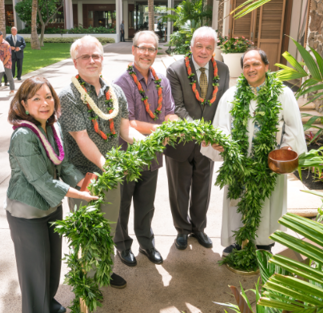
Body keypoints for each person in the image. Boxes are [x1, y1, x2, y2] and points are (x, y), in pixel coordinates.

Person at [6, 76, 97, 313]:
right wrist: (78, 193)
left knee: (51, 264)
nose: (44, 103)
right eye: (36, 98)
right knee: (34, 269)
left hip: (50, 206)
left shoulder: (48, 127)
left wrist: (83, 178)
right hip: (28, 211)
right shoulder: (24, 134)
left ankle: (48, 302)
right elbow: (40, 180)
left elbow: (62, 163)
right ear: (23, 104)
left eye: (48, 97)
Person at [200, 48, 307, 254]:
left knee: (267, 202)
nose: (251, 69)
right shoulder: (231, 95)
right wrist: (221, 142)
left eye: (256, 64)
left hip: (269, 164)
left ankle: (264, 244)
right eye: (246, 65)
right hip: (239, 164)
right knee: (237, 202)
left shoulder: (283, 94)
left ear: (267, 66)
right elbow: (222, 126)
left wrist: (286, 149)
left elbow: (294, 128)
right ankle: (236, 241)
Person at [59, 35, 145, 289]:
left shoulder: (115, 92)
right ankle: (88, 281)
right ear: (75, 63)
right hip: (82, 175)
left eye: (95, 55)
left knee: (108, 226)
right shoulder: (69, 95)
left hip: (109, 172)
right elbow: (82, 139)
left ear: (102, 59)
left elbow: (126, 131)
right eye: (84, 56)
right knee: (87, 230)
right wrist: (107, 168)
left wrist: (151, 142)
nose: (91, 60)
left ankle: (103, 272)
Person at [113, 31, 177, 266]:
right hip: (129, 155)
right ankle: (122, 245)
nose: (147, 53)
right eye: (142, 48)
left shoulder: (163, 81)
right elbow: (129, 124)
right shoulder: (122, 83)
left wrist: (174, 125)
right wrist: (161, 130)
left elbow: (169, 112)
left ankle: (146, 244)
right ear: (133, 50)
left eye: (151, 49)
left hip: (153, 156)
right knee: (123, 204)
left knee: (146, 204)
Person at [165, 26, 230, 251]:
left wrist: (216, 134)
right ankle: (182, 230)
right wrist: (198, 129)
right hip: (182, 140)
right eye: (199, 46)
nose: (203, 51)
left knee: (203, 185)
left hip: (209, 142)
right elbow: (177, 106)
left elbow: (223, 104)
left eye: (208, 47)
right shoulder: (175, 70)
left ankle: (199, 228)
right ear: (191, 46)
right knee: (179, 187)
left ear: (214, 49)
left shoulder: (223, 69)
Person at [0, 30, 15, 95]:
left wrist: (2, 64)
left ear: (1, 36)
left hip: (7, 64)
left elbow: (8, 55)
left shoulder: (6, 44)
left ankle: (12, 90)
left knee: (10, 78)